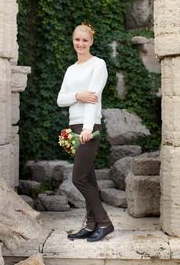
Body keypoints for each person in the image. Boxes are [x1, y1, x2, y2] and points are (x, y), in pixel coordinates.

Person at [57, 23, 114, 242]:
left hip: (89, 128)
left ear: (91, 42)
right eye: (77, 40)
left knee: (79, 178)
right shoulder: (71, 69)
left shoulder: (98, 65)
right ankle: (91, 225)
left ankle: (104, 222)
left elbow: (94, 99)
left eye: (85, 40)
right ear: (73, 40)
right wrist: (78, 95)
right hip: (74, 127)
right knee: (88, 178)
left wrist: (89, 128)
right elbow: (61, 99)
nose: (80, 44)